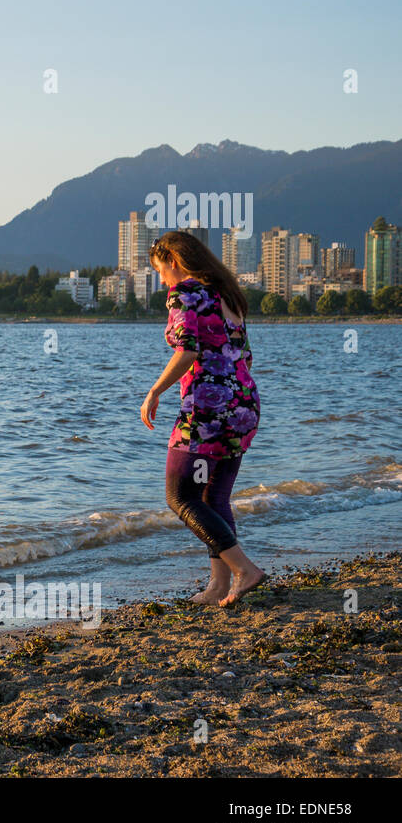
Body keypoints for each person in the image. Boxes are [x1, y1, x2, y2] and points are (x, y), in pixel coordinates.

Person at [140, 231, 266, 606]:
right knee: (215, 496)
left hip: (207, 411)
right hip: (244, 406)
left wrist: (155, 391)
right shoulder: (228, 293)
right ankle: (218, 586)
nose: (162, 279)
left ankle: (245, 570)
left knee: (180, 495)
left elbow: (187, 351)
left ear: (174, 262)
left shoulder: (186, 293)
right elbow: (243, 354)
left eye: (161, 270)